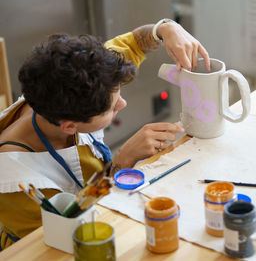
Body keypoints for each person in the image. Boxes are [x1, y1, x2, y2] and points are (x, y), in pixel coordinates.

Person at [0, 19, 210, 250]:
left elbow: (136, 42)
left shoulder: (84, 76)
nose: (123, 103)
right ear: (70, 126)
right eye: (111, 108)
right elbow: (72, 235)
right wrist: (122, 161)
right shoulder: (13, 178)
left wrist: (166, 29)